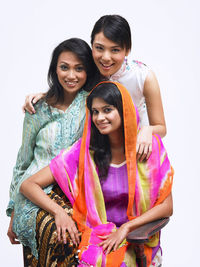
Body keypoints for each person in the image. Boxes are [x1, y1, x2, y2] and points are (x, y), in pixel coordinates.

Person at [20, 81, 173, 267]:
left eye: (107, 110)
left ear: (124, 110)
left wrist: (126, 228)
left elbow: (167, 207)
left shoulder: (149, 148)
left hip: (136, 237)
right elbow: (28, 185)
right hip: (98, 238)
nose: (100, 117)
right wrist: (59, 212)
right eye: (95, 111)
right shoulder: (84, 152)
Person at [23, 14, 166, 163]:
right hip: (99, 157)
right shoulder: (90, 70)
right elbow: (70, 88)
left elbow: (161, 128)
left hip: (138, 151)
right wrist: (44, 97)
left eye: (115, 50)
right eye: (99, 48)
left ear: (127, 50)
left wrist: (147, 130)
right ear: (92, 46)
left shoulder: (143, 77)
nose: (105, 57)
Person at [6, 38, 99, 266]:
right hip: (33, 196)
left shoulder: (93, 106)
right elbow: (23, 162)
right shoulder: (37, 109)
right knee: (50, 234)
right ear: (54, 68)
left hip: (73, 194)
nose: (71, 75)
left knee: (70, 237)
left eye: (79, 68)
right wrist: (13, 211)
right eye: (64, 67)